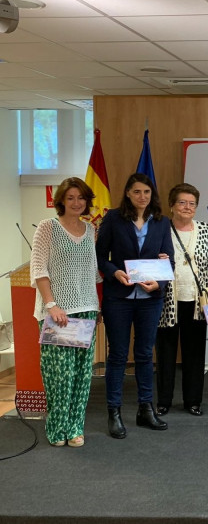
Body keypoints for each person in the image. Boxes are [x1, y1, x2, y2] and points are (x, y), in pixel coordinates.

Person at [96, 173, 174, 439]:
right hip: (119, 297)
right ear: (128, 193)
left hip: (149, 300)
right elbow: (100, 257)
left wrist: (159, 285)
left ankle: (145, 409)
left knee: (144, 354)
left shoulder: (162, 222)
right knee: (118, 355)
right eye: (137, 192)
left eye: (147, 192)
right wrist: (115, 272)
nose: (143, 197)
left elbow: (168, 262)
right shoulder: (114, 218)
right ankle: (114, 412)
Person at [31, 177, 101, 447]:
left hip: (85, 310)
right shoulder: (48, 228)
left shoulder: (91, 229)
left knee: (82, 376)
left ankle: (74, 428)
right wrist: (51, 305)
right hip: (57, 314)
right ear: (61, 200)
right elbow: (39, 270)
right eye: (70, 198)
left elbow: (93, 273)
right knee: (58, 374)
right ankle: (57, 428)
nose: (76, 203)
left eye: (81, 198)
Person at [155, 184, 208, 417]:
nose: (187, 207)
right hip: (166, 302)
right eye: (182, 202)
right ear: (172, 205)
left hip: (197, 302)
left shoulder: (204, 229)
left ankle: (193, 401)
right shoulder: (160, 228)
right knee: (165, 353)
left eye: (191, 203)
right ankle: (163, 400)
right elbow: (148, 259)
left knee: (195, 353)